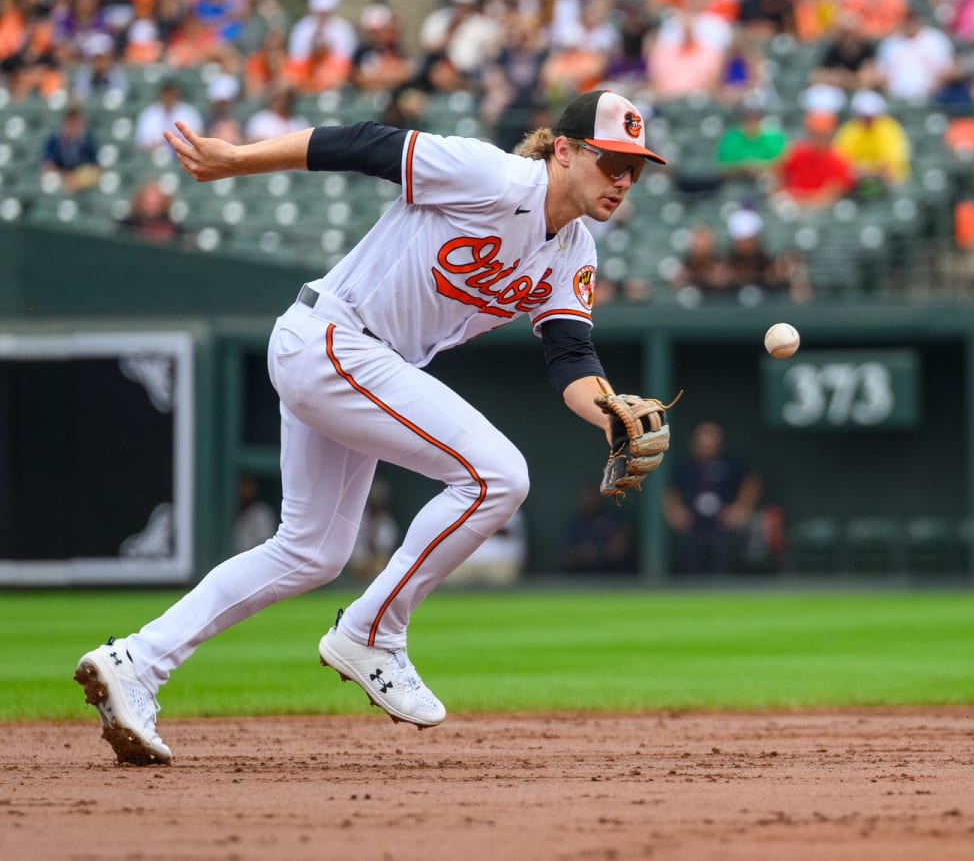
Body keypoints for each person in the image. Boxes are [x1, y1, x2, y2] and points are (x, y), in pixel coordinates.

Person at [73, 87, 670, 764]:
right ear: (563, 150)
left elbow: (570, 356)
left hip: (346, 358)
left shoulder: (575, 253)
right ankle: (372, 633)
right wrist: (235, 159)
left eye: (635, 169)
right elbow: (363, 143)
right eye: (610, 161)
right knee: (497, 476)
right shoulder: (494, 177)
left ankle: (135, 662)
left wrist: (611, 412)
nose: (623, 180)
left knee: (311, 551)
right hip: (337, 339)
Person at [662, 421, 762, 576]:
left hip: (723, 524)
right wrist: (676, 512)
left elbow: (751, 483)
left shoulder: (731, 464)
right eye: (703, 445)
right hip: (693, 524)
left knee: (723, 555)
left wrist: (740, 508)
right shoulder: (684, 466)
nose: (707, 450)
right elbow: (671, 491)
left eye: (711, 446)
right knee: (689, 556)